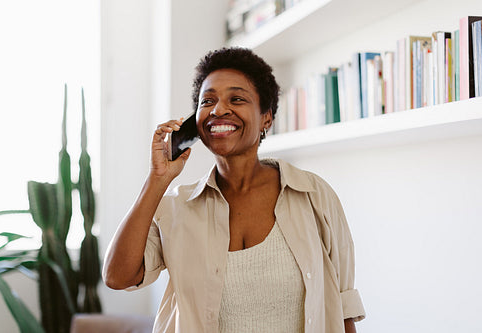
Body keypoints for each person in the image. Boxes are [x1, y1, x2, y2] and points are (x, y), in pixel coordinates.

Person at [103, 47, 366, 333]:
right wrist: (157, 179)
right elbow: (119, 277)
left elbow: (343, 311)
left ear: (267, 117)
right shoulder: (176, 208)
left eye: (237, 99)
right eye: (208, 101)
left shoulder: (314, 194)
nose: (218, 110)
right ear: (196, 121)